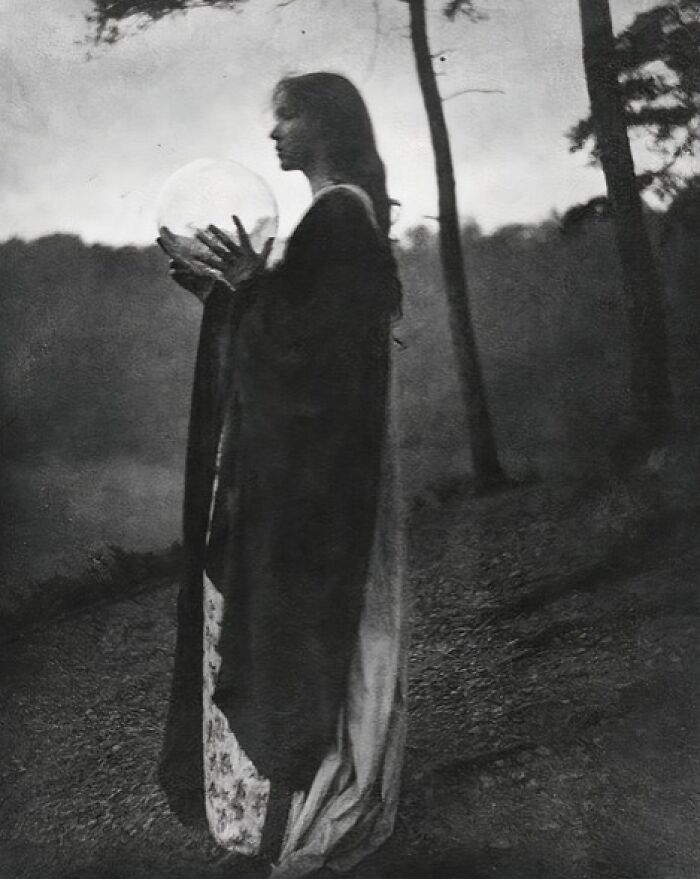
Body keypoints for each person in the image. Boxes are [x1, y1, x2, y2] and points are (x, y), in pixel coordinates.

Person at [157, 72, 407, 879]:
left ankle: (307, 812)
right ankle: (280, 813)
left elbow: (313, 360)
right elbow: (290, 330)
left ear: (328, 124)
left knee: (306, 632)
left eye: (287, 116)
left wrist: (245, 291)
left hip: (325, 478)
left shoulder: (341, 216)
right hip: (319, 471)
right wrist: (227, 294)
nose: (273, 134)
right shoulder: (333, 215)